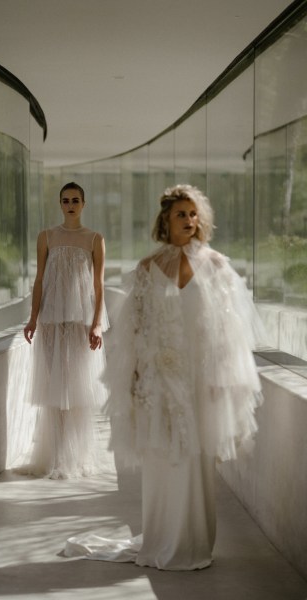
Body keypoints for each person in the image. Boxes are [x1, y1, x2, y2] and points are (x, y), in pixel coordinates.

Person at [64, 184, 265, 569]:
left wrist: (221, 377)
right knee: (163, 461)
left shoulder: (217, 266)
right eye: (181, 214)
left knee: (196, 463)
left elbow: (230, 330)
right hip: (159, 380)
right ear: (165, 220)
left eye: (194, 214)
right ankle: (161, 541)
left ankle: (194, 545)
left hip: (199, 379)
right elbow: (133, 330)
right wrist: (137, 375)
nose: (189, 220)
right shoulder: (146, 268)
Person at [22, 182, 109, 479]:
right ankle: (56, 456)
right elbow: (39, 280)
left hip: (80, 322)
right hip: (50, 320)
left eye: (75, 200)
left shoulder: (95, 239)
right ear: (60, 204)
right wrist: (33, 318)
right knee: (54, 389)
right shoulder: (46, 236)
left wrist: (97, 323)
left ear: (83, 204)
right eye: (65, 200)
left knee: (77, 390)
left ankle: (77, 455)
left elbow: (98, 286)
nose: (70, 204)